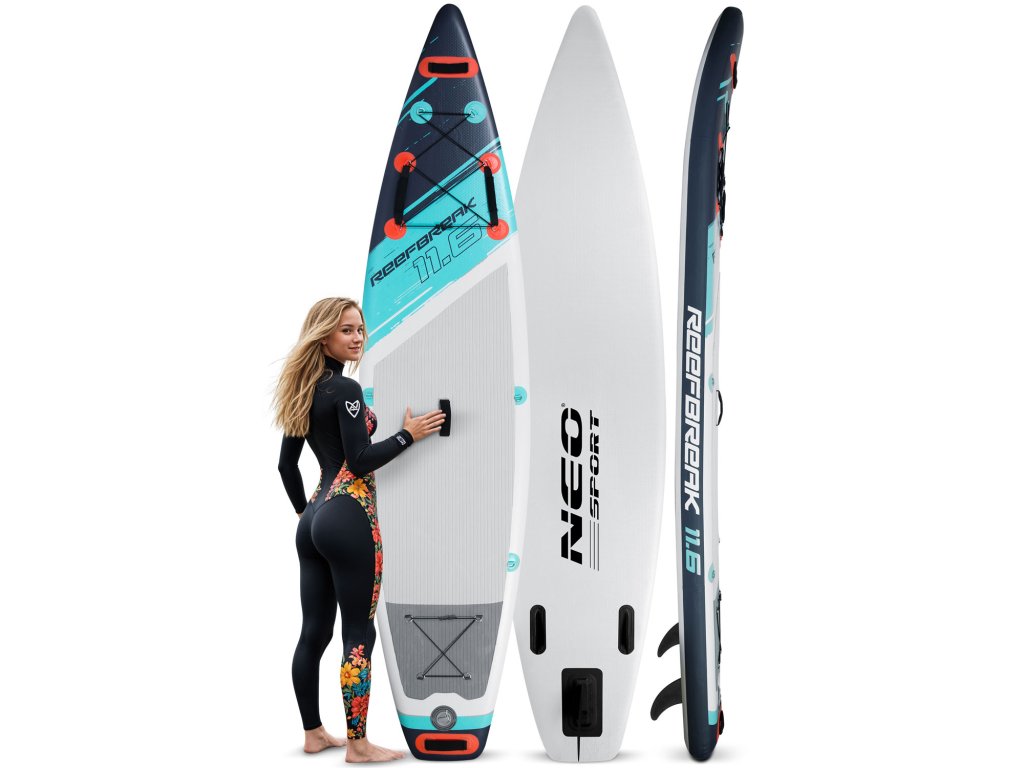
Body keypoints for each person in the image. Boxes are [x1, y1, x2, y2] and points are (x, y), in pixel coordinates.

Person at [274, 297, 445, 762]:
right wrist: (408, 434)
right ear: (323, 336)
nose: (356, 338)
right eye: (346, 330)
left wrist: (305, 515)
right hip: (350, 515)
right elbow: (361, 459)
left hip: (315, 517)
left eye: (359, 329)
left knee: (313, 633)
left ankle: (314, 734)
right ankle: (358, 744)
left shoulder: (303, 388)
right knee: (357, 634)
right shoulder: (346, 389)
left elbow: (286, 466)